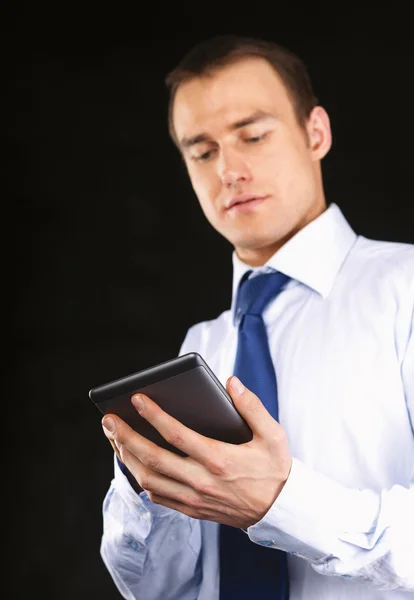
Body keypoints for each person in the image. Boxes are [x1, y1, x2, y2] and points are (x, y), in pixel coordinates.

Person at [99, 34, 414, 600]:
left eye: (253, 135)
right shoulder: (202, 346)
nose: (229, 170)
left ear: (315, 133)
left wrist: (281, 501)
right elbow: (159, 591)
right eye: (202, 151)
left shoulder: (405, 289)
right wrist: (143, 486)